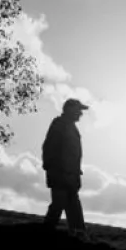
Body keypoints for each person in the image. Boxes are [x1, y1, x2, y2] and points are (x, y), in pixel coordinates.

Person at [41, 98, 89, 239]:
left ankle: (79, 234)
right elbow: (49, 148)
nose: (81, 113)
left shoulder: (71, 127)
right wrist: (55, 169)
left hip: (70, 175)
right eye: (78, 110)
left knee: (73, 204)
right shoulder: (60, 124)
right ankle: (45, 233)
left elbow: (72, 154)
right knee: (59, 203)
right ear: (70, 109)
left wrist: (75, 173)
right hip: (60, 174)